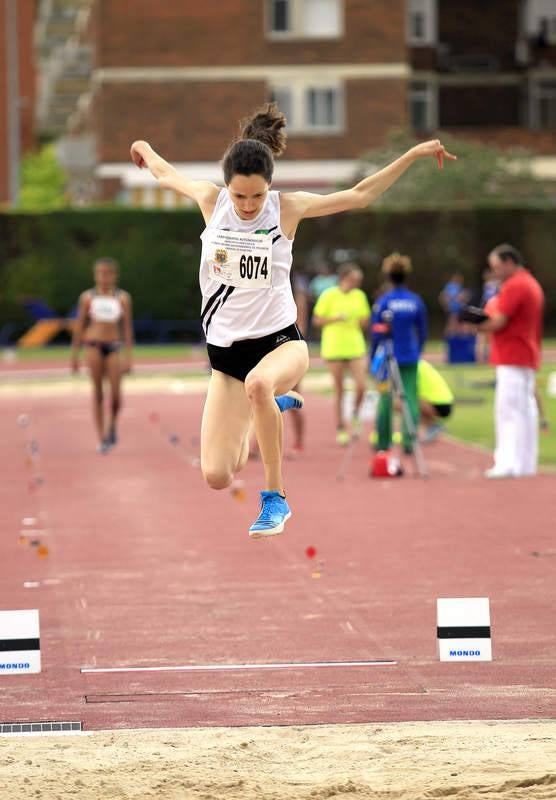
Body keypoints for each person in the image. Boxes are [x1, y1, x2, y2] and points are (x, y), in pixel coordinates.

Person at [130, 105, 455, 537]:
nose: (248, 206)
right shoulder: (211, 201)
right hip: (226, 360)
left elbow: (359, 195)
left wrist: (412, 154)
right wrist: (143, 148)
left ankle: (275, 500)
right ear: (227, 187)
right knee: (217, 475)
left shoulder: (288, 209)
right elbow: (166, 173)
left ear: (270, 187)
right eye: (240, 196)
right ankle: (266, 411)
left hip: (281, 345)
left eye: (257, 196)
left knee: (260, 384)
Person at [475, 244, 544, 478]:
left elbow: (498, 321)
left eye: (497, 267)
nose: (495, 272)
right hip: (523, 354)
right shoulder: (529, 283)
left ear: (509, 262)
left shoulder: (516, 285)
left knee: (508, 411)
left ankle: (507, 463)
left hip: (512, 354)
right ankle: (524, 463)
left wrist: (476, 323)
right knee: (524, 411)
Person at [71, 257, 133, 453]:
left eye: (108, 273)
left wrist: (129, 356)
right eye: (100, 273)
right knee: (98, 393)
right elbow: (80, 325)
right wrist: (74, 354)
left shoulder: (122, 298)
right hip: (94, 346)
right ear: (95, 275)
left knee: (115, 396)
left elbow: (126, 328)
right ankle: (102, 437)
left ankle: (112, 423)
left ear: (115, 275)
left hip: (113, 347)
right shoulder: (88, 297)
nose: (104, 277)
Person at [371, 253, 428, 454]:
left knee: (385, 398)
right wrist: (418, 350)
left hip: (388, 356)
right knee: (410, 397)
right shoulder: (415, 301)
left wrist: (372, 358)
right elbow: (422, 332)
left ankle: (383, 442)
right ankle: (409, 441)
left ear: (388, 276)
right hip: (410, 355)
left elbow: (375, 332)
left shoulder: (384, 301)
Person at [312, 263, 371, 445]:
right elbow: (317, 320)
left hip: (355, 346)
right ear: (344, 278)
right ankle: (340, 427)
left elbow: (364, 321)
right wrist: (335, 318)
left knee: (362, 386)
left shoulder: (359, 296)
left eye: (359, 280)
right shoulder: (329, 295)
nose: (357, 283)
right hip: (334, 347)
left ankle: (354, 414)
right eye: (354, 279)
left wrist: (364, 321)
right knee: (340, 389)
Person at [417, 359, 454, 442]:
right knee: (410, 401)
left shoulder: (412, 367)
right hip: (444, 402)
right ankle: (432, 425)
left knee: (400, 403)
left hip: (439, 404)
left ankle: (432, 425)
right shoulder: (421, 363)